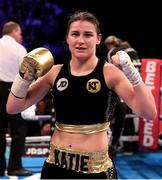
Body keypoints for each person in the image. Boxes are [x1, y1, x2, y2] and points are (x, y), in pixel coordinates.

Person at [6, 11, 157, 179]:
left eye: (88, 35)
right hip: (55, 165)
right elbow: (13, 107)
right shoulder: (55, 72)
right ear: (67, 38)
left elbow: (149, 113)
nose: (80, 41)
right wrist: (23, 78)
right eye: (75, 34)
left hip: (95, 169)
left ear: (98, 39)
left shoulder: (110, 73)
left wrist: (133, 74)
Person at [0, 21, 33, 176]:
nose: (21, 37)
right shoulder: (20, 49)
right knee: (18, 129)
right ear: (14, 32)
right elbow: (26, 76)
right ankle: (15, 166)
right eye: (20, 33)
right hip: (13, 90)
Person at [104, 35, 140, 156]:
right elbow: (137, 68)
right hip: (134, 87)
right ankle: (127, 146)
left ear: (109, 45)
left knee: (110, 117)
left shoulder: (113, 52)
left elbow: (111, 71)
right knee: (128, 117)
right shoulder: (131, 50)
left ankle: (111, 146)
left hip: (118, 88)